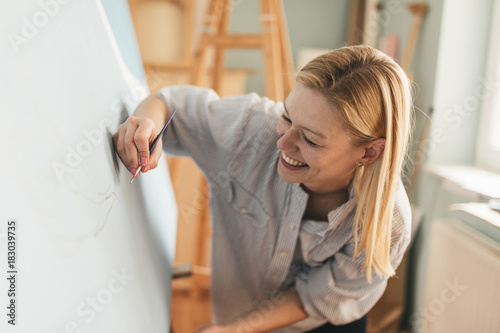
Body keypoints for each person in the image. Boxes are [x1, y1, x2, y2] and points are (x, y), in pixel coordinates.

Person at [113, 45, 413, 332]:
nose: (282, 143)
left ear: (369, 153)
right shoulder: (251, 129)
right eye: (287, 117)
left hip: (321, 324)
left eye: (310, 139)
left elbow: (316, 298)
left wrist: (238, 329)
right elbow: (168, 103)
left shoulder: (389, 220)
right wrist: (144, 125)